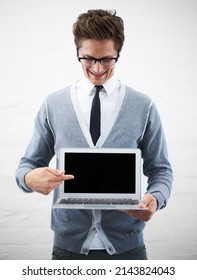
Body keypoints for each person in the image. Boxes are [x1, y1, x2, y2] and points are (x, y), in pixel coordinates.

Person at [16, 9, 173, 260]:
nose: (98, 68)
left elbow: (161, 169)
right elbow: (27, 165)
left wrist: (155, 198)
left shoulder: (143, 106)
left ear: (118, 54)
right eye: (88, 58)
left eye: (107, 59)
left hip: (127, 248)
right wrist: (28, 178)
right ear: (77, 53)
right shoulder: (53, 104)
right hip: (68, 248)